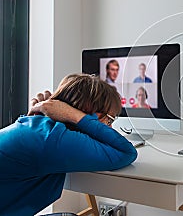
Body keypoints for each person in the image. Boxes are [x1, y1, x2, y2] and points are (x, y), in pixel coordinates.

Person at [0, 74, 138, 216]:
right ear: (92, 113)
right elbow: (127, 152)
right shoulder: (54, 139)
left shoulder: (41, 127)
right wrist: (75, 115)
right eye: (109, 120)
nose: (109, 127)